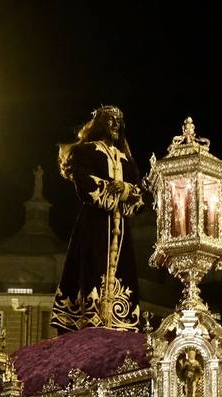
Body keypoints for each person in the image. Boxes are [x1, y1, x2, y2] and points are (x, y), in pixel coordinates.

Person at [52, 105, 145, 332]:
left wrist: (125, 190)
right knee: (90, 267)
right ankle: (89, 319)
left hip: (120, 229)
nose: (115, 125)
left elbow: (141, 195)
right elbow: (85, 184)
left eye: (118, 122)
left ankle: (118, 321)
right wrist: (118, 192)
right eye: (110, 120)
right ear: (100, 123)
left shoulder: (127, 161)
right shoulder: (86, 152)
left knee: (124, 272)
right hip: (94, 224)